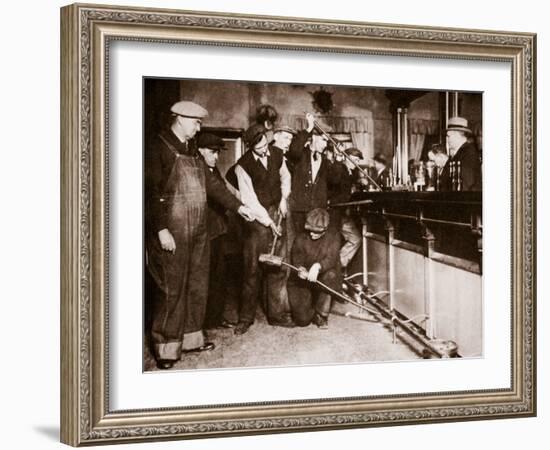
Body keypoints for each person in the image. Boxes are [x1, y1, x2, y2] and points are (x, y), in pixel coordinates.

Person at [144, 101, 253, 370]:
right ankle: (166, 347)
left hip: (199, 231)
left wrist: (239, 207)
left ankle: (191, 339)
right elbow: (150, 193)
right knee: (172, 289)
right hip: (172, 230)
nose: (199, 127)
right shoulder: (158, 147)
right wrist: (161, 229)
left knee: (196, 285)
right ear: (179, 118)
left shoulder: (192, 150)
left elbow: (214, 186)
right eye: (196, 122)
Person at [231, 124, 294, 334]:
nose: (265, 150)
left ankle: (276, 315)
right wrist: (268, 222)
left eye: (266, 144)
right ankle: (246, 318)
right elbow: (249, 199)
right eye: (259, 148)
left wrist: (284, 199)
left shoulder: (277, 153)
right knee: (252, 270)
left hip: (278, 210)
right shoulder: (243, 165)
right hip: (256, 219)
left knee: (278, 266)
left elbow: (285, 177)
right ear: (250, 147)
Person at [196, 133, 238, 329]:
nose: (216, 157)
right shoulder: (199, 169)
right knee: (205, 278)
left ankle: (215, 317)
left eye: (217, 153)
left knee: (219, 277)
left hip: (218, 230)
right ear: (200, 151)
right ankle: (202, 322)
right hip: (205, 232)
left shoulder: (213, 169)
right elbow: (219, 193)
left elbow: (226, 190)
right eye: (212, 152)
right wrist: (240, 207)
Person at [288, 208, 342, 329]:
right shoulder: (301, 237)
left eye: (316, 232)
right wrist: (299, 269)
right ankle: (310, 303)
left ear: (325, 230)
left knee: (331, 275)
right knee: (302, 320)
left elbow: (332, 258)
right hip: (303, 279)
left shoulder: (333, 236)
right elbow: (296, 258)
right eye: (310, 230)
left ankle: (321, 314)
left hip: (322, 275)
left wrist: (318, 266)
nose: (312, 234)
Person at [286, 113, 339, 234]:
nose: (325, 145)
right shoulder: (301, 154)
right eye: (323, 140)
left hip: (317, 210)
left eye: (327, 142)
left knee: (314, 243)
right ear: (314, 137)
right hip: (300, 209)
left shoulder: (326, 161)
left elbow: (334, 180)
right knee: (300, 240)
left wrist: (338, 160)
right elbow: (294, 149)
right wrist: (309, 128)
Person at [329, 147, 364, 272]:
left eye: (358, 161)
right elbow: (334, 183)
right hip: (334, 213)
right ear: (345, 157)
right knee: (336, 242)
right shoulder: (339, 169)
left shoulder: (351, 172)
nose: (356, 163)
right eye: (354, 160)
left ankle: (336, 265)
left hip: (342, 213)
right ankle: (332, 267)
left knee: (355, 239)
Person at [439, 116, 481, 191]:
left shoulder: (468, 153)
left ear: (458, 135)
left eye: (449, 136)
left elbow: (464, 185)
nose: (447, 140)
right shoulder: (462, 152)